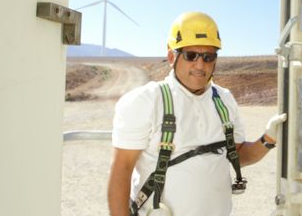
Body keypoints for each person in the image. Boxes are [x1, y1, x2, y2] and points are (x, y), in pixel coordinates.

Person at [107, 11, 287, 216]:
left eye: (208, 57)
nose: (200, 65)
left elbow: (238, 155)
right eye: (191, 55)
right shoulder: (145, 101)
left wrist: (268, 139)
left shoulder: (224, 100)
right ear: (171, 56)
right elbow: (121, 171)